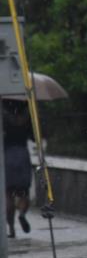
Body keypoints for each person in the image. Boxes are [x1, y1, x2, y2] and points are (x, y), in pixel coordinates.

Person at [3, 100, 33, 239]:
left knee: (8, 193)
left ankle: (11, 228)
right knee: (23, 192)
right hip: (22, 154)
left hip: (7, 155)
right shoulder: (28, 113)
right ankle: (22, 213)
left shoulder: (3, 114)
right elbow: (34, 137)